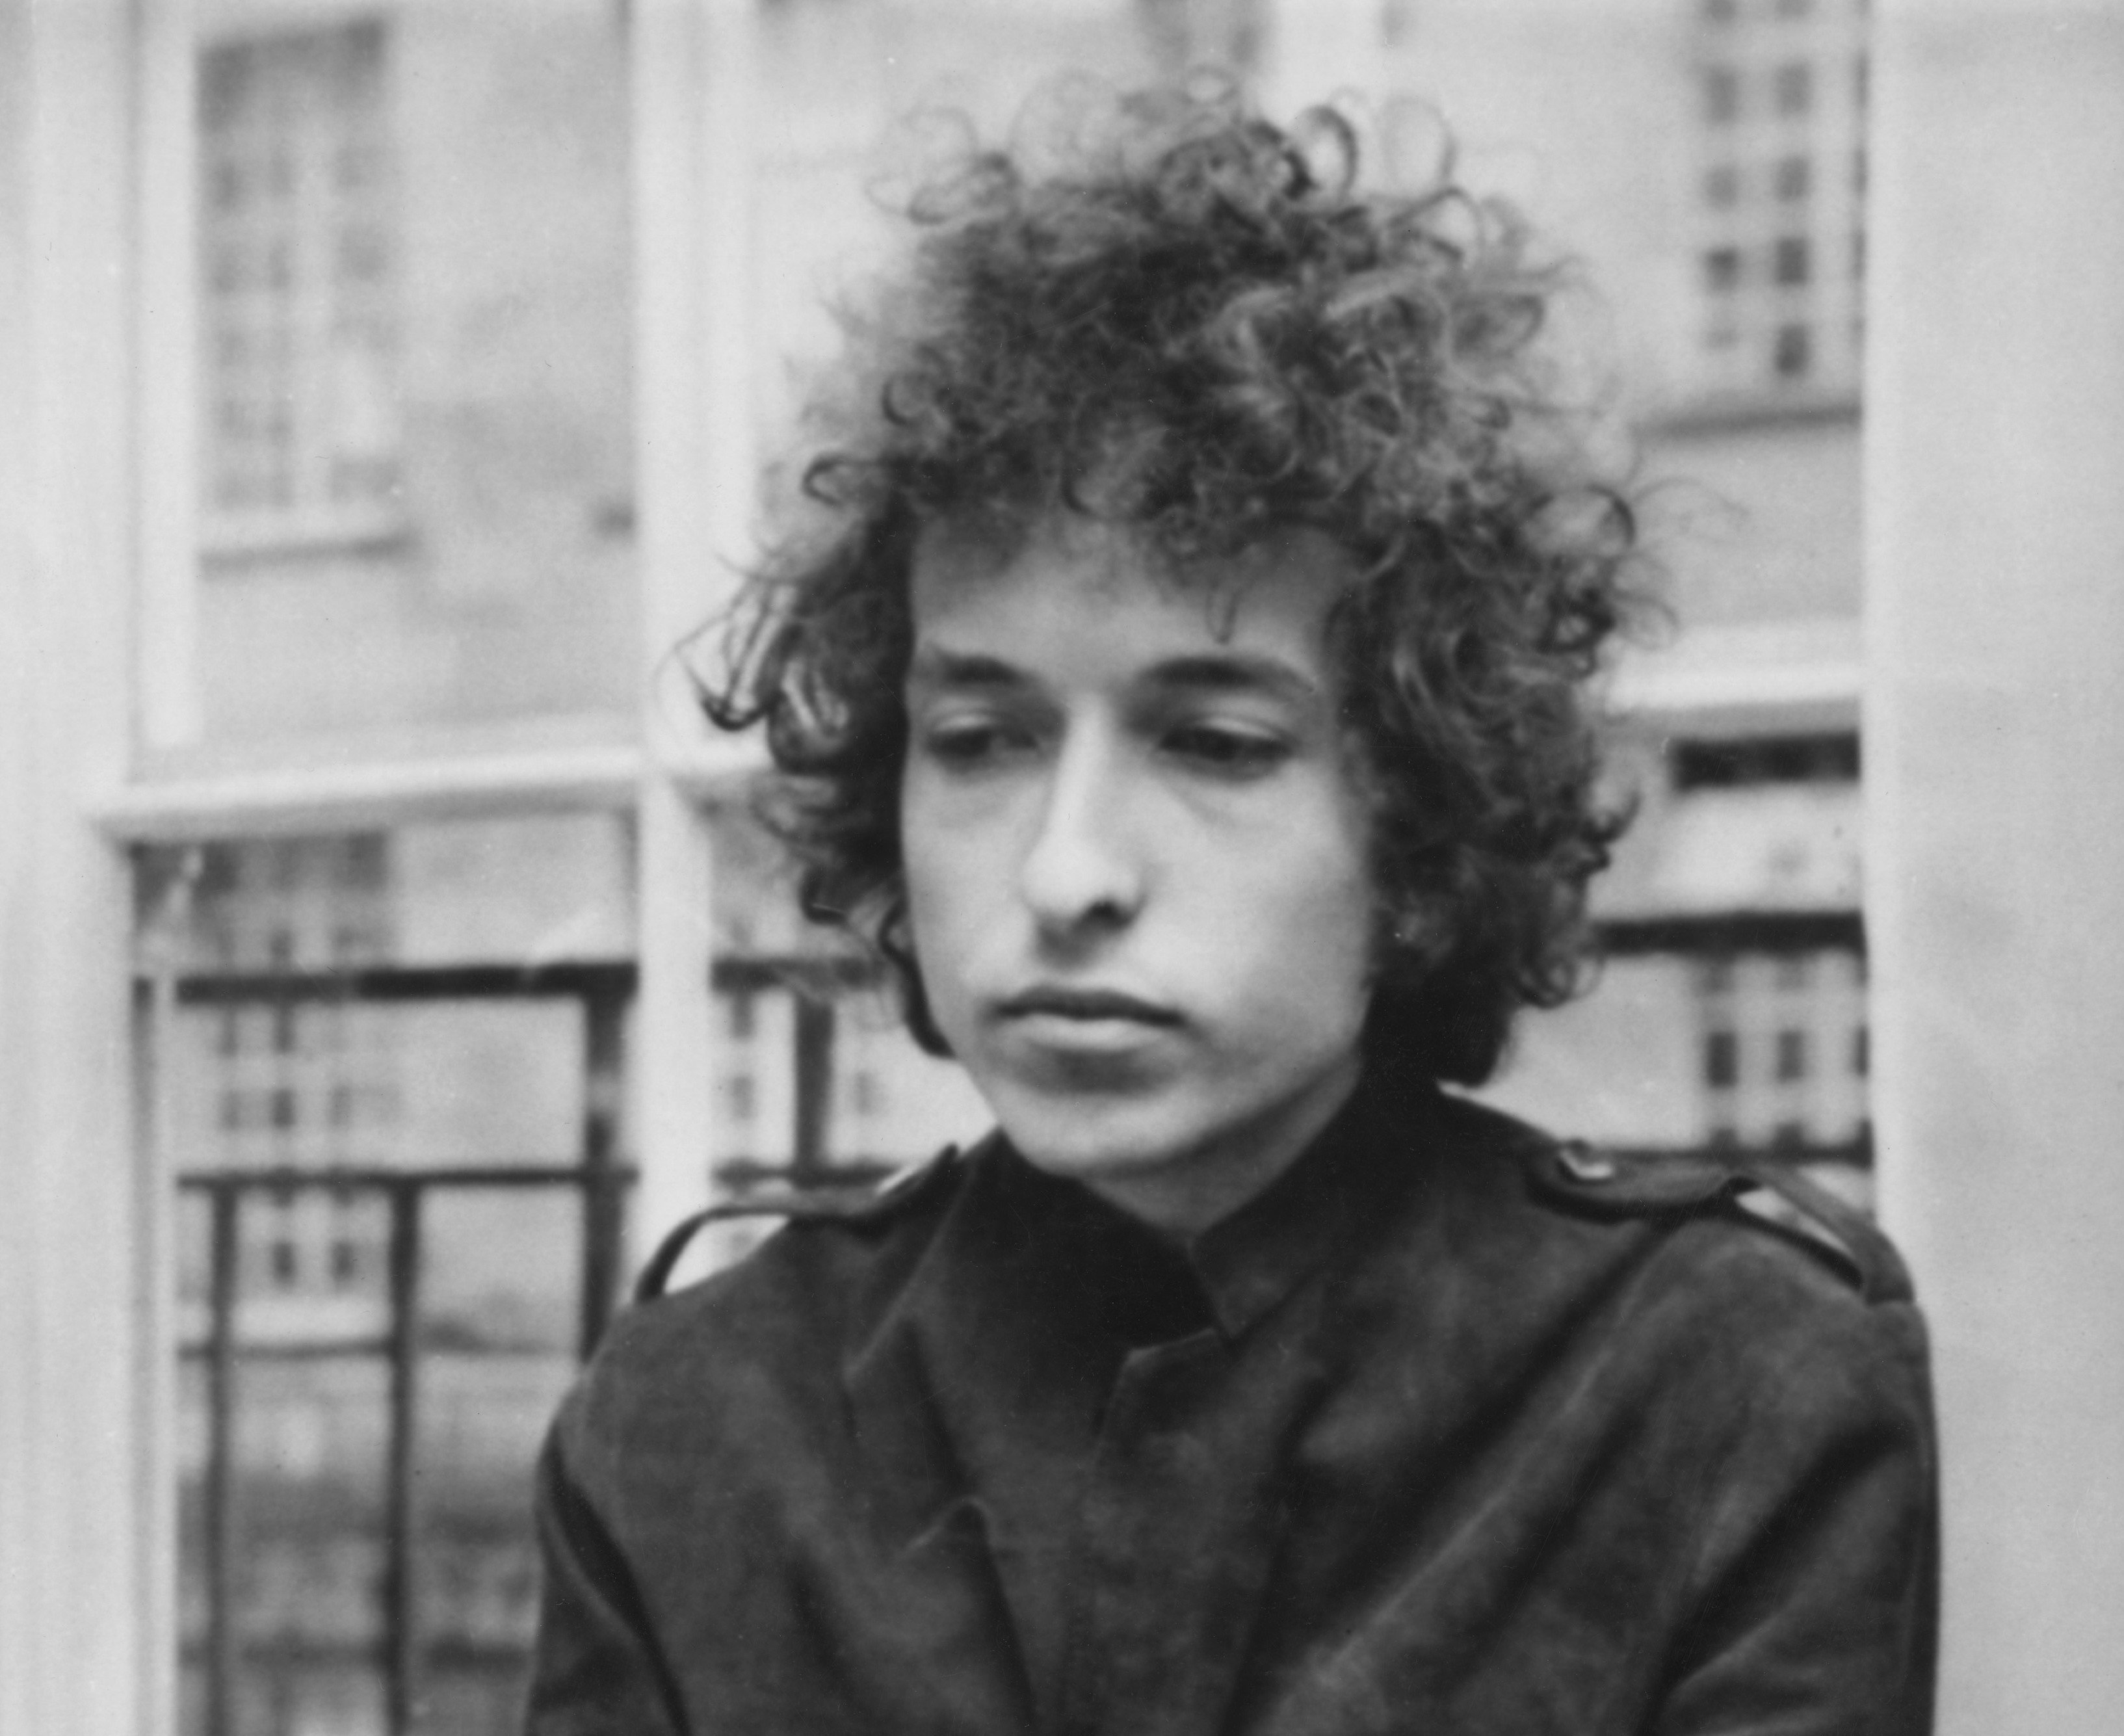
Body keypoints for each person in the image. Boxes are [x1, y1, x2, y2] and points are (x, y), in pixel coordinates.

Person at [523, 83, 1937, 1735]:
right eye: (980, 739)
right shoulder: (694, 1426)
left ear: (1414, 809)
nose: (1064, 874)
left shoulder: (1723, 1392)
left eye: (1212, 742)